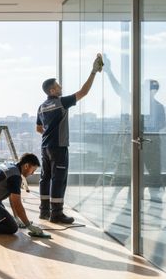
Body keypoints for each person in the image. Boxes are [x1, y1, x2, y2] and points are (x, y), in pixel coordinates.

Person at [36, 53, 104, 224]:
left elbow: (38, 128)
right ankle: (56, 214)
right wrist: (93, 72)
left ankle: (44, 211)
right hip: (58, 147)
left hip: (45, 147)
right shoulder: (60, 102)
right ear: (52, 90)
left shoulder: (42, 107)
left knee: (45, 178)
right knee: (59, 179)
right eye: (58, 86)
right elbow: (83, 92)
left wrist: (50, 131)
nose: (60, 88)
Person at [105, 55, 165, 201]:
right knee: (138, 171)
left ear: (152, 90)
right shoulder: (153, 106)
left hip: (149, 143)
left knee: (148, 173)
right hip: (147, 143)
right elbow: (119, 90)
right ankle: (137, 200)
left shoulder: (154, 106)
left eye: (145, 87)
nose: (142, 89)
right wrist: (109, 72)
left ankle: (143, 200)